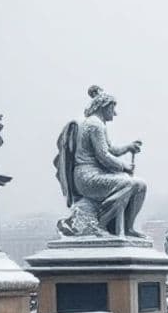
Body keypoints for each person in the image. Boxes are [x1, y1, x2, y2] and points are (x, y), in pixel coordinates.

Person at [54, 85, 145, 238]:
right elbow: (103, 156)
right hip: (87, 178)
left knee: (140, 185)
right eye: (112, 108)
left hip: (92, 175)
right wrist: (125, 167)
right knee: (129, 184)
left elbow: (111, 150)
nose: (114, 113)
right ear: (104, 106)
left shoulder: (97, 124)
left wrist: (129, 147)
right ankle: (101, 224)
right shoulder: (94, 125)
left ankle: (127, 227)